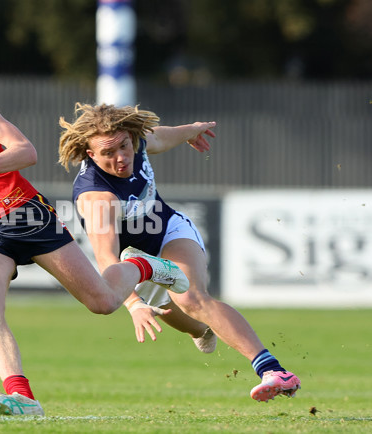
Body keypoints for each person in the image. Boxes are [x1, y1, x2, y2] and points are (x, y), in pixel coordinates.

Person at [0, 22, 188, 417]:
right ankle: (23, 398)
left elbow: (25, 151)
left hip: (20, 211)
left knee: (101, 301)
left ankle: (144, 265)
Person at [58, 103, 301, 402]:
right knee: (184, 317)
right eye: (108, 153)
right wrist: (134, 304)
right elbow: (107, 259)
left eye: (124, 146)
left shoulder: (138, 143)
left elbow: (162, 137)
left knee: (192, 298)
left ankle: (273, 371)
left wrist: (191, 131)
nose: (121, 158)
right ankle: (202, 330)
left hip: (169, 231)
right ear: (91, 155)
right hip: (132, 261)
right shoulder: (97, 196)